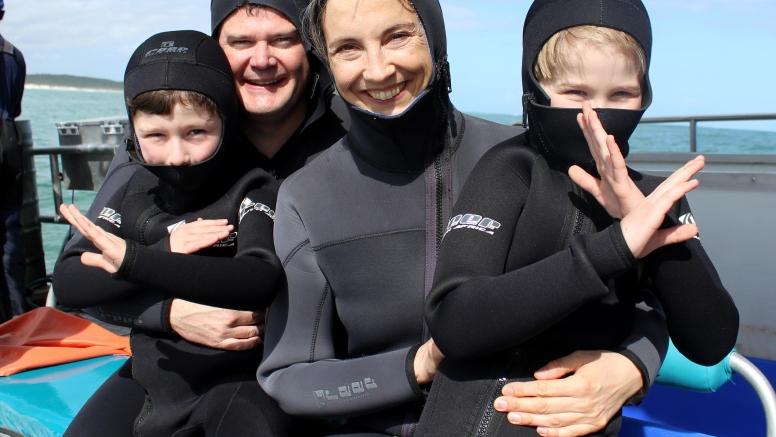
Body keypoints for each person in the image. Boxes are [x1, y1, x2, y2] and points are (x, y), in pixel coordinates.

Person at [259, 0, 669, 435]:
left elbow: (645, 296)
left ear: (435, 38)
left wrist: (631, 367)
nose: (377, 70)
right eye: (348, 48)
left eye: (397, 36)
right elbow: (289, 377)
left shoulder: (529, 160)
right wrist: (418, 365)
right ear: (326, 60)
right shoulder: (306, 195)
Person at [417, 1, 740, 435]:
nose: (596, 116)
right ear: (535, 86)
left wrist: (655, 226)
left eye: (621, 95)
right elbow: (453, 322)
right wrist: (615, 248)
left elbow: (711, 342)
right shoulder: (510, 169)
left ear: (645, 96)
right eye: (576, 94)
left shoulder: (654, 199)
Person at [62, 0, 349, 351]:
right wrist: (168, 314)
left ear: (310, 46)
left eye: (283, 40)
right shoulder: (157, 155)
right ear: (215, 50)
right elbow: (79, 275)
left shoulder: (355, 133)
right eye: (240, 43)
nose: (261, 60)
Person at [53, 30, 292, 437]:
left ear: (227, 122)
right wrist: (167, 252)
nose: (178, 156)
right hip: (152, 373)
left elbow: (259, 278)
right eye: (156, 136)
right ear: (134, 132)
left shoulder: (254, 187)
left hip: (240, 379)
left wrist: (135, 260)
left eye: (196, 132)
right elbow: (70, 282)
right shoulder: (136, 189)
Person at [0, 0, 28, 322]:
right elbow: (16, 106)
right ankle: (17, 320)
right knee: (9, 234)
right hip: (9, 140)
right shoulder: (14, 54)